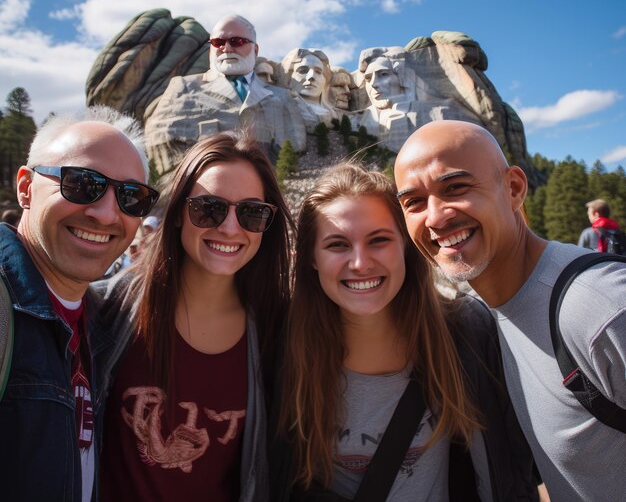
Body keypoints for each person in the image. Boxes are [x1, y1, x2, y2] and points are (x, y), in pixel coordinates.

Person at [271, 163, 537, 501]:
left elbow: (515, 469)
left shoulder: (466, 334)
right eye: (337, 245)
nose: (360, 263)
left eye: (379, 240)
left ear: (406, 248)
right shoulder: (281, 346)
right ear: (311, 258)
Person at [394, 119, 626, 501]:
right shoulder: (489, 314)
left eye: (455, 187)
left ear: (514, 188)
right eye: (414, 202)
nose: (434, 218)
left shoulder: (600, 309)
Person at [97, 130, 293, 501]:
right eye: (209, 208)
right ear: (176, 214)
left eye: (252, 213)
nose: (230, 228)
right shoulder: (106, 310)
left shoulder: (279, 330)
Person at [0, 106, 159, 502]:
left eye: (130, 197)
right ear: (25, 188)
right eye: (81, 183)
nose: (106, 214)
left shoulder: (101, 324)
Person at [145, 14, 306, 173]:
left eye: (237, 41)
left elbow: (297, 149)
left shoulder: (282, 97)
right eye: (218, 42)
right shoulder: (184, 87)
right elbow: (159, 142)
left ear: (255, 50)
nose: (227, 48)